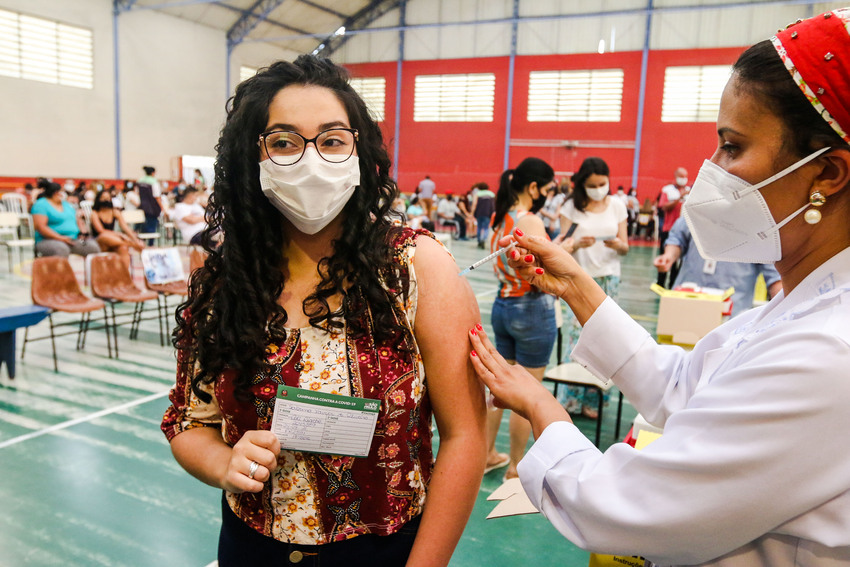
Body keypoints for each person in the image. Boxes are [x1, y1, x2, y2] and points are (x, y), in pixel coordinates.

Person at [468, 10, 850, 566]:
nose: (711, 169)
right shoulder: (796, 307)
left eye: (732, 147)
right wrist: (576, 285)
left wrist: (539, 405)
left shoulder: (828, 353)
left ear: (828, 174)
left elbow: (623, 507)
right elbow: (683, 387)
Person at [160, 55, 486, 567]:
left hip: (386, 550)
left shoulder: (415, 267)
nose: (312, 160)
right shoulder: (228, 281)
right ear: (254, 157)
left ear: (359, 151)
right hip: (251, 547)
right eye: (285, 142)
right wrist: (224, 463)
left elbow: (466, 434)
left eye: (332, 140)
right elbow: (187, 421)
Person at [485, 157, 557, 481]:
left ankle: (487, 455)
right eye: (548, 189)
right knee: (527, 392)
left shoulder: (500, 217)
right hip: (530, 307)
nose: (549, 195)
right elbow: (550, 268)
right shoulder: (530, 220)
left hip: (502, 306)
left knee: (500, 389)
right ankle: (515, 467)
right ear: (533, 187)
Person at [557, 157, 628, 418]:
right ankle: (571, 398)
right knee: (578, 340)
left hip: (609, 278)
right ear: (582, 185)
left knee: (605, 338)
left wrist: (618, 245)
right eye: (592, 185)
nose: (599, 188)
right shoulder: (571, 209)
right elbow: (562, 247)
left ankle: (594, 400)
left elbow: (625, 245)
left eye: (603, 183)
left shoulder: (618, 206)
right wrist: (577, 245)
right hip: (579, 278)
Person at [654, 217, 782, 316]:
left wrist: (784, 311)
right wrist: (668, 256)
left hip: (731, 314)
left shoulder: (760, 227)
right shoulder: (700, 210)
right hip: (688, 301)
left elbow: (775, 277)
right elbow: (678, 237)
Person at [31, 181, 100, 258]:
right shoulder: (41, 205)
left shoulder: (66, 205)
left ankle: (90, 269)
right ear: (56, 193)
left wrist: (83, 233)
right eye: (62, 191)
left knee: (92, 247)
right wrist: (60, 238)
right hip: (48, 240)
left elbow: (78, 220)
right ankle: (60, 270)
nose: (63, 194)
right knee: (61, 249)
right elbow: (41, 227)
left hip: (72, 239)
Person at [90, 189, 144, 270]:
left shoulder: (114, 212)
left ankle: (123, 275)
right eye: (103, 198)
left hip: (114, 242)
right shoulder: (94, 213)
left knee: (123, 248)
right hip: (99, 242)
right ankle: (134, 245)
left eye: (108, 198)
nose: (106, 200)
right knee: (104, 236)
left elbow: (125, 228)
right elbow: (101, 231)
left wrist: (135, 239)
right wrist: (120, 235)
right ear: (98, 199)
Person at [656, 167, 690, 288]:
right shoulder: (667, 190)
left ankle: (673, 286)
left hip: (684, 232)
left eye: (685, 176)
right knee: (665, 257)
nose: (683, 179)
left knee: (679, 262)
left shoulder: (690, 191)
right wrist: (679, 197)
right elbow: (664, 207)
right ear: (676, 176)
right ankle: (660, 284)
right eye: (681, 176)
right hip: (668, 230)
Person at [136, 165, 163, 244]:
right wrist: (162, 208)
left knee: (143, 227)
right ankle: (151, 245)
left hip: (142, 207)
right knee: (152, 227)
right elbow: (157, 197)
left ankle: (142, 244)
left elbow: (138, 194)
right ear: (153, 173)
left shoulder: (140, 181)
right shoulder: (154, 182)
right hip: (152, 209)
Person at [471, 181, 495, 249]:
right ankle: (483, 239)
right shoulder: (491, 194)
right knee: (486, 228)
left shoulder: (477, 194)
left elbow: (474, 204)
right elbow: (493, 205)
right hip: (488, 214)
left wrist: (472, 213)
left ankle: (479, 240)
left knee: (479, 227)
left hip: (479, 213)